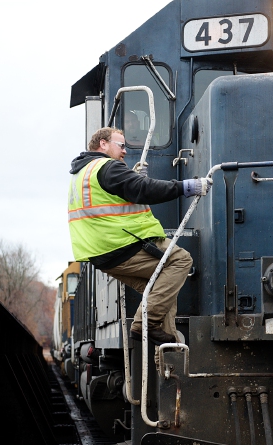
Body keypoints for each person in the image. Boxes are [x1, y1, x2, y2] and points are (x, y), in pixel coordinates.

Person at [68, 127, 211, 345]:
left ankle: (169, 353)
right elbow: (144, 189)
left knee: (161, 292)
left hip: (101, 253)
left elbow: (119, 195)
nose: (125, 151)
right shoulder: (107, 167)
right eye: (121, 145)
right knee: (180, 260)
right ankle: (144, 323)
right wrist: (186, 187)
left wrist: (132, 178)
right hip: (122, 244)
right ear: (103, 144)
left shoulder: (82, 173)